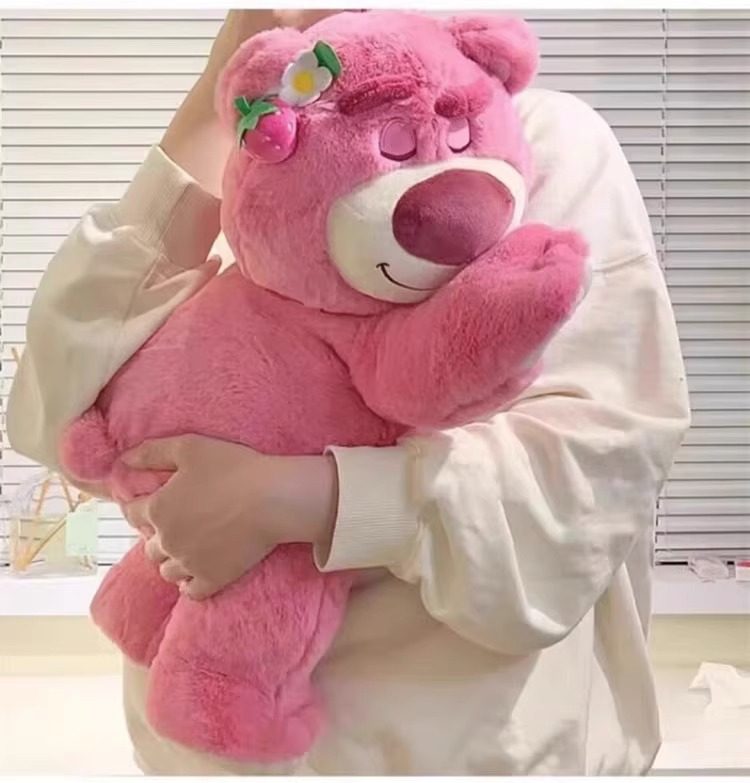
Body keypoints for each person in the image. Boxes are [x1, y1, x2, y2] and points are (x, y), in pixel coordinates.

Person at [8, 9, 690, 776]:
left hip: (460, 751)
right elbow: (53, 416)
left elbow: (591, 473)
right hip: (202, 757)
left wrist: (302, 497)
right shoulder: (254, 148)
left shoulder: (519, 136)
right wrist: (224, 81)